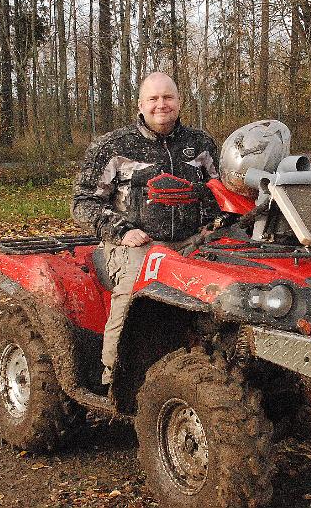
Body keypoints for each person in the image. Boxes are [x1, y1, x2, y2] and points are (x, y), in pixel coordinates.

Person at [72, 72, 220, 387]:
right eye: (153, 98)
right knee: (133, 293)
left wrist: (217, 225)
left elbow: (219, 193)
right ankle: (113, 378)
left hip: (193, 242)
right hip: (134, 246)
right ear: (140, 104)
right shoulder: (113, 146)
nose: (161, 105)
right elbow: (83, 203)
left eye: (168, 97)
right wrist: (122, 230)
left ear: (179, 102)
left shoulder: (201, 144)